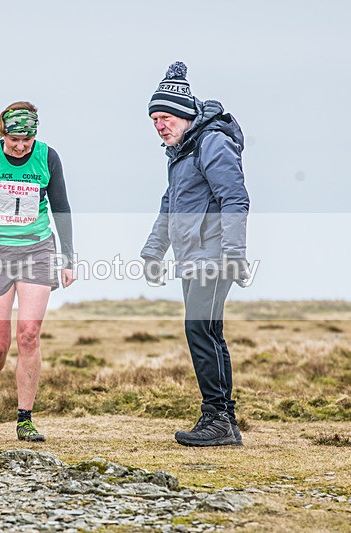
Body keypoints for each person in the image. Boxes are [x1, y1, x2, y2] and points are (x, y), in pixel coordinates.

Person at [141, 62, 251, 447]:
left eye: (166, 116)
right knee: (208, 331)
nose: (160, 125)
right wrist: (153, 253)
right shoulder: (180, 152)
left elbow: (235, 198)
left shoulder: (211, 142)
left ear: (186, 115)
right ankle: (225, 420)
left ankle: (217, 418)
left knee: (199, 329)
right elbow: (170, 205)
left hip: (213, 254)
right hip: (193, 256)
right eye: (154, 119)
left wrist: (235, 253)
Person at [0, 102, 75, 442]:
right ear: (3, 133)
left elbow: (60, 207)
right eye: (15, 139)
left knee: (29, 334)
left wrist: (67, 257)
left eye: (27, 140)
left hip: (37, 249)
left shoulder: (48, 157)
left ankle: (25, 418)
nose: (21, 146)